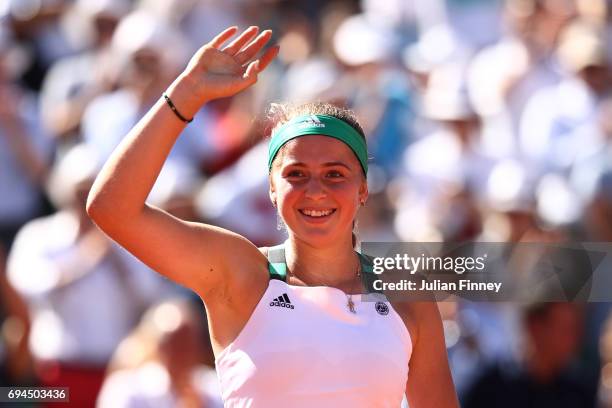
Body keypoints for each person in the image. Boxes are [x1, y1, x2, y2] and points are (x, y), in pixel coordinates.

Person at [87, 26, 458, 407]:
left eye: (335, 174)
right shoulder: (239, 273)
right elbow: (111, 208)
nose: (316, 190)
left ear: (363, 190)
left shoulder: (408, 299)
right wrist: (186, 94)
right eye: (296, 174)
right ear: (271, 189)